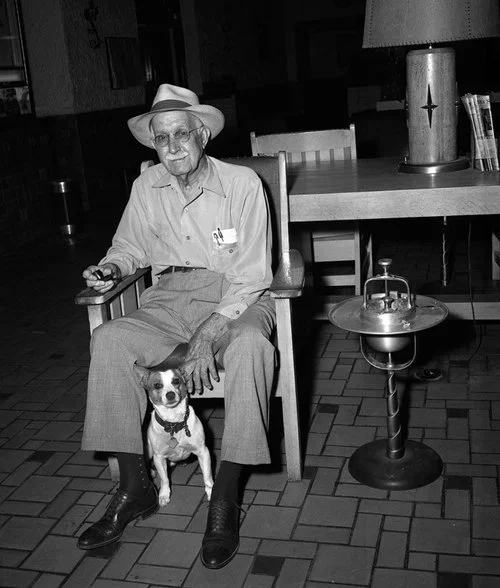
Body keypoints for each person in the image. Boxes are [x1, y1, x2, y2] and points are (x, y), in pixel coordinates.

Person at [77, 84, 276, 570]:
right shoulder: (146, 188)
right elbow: (128, 248)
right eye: (161, 139)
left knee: (250, 346)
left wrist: (208, 334)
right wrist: (110, 269)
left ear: (202, 134)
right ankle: (134, 487)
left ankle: (225, 496)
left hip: (237, 295)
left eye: (181, 135)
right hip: (168, 297)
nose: (171, 147)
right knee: (109, 340)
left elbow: (253, 274)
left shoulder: (243, 184)